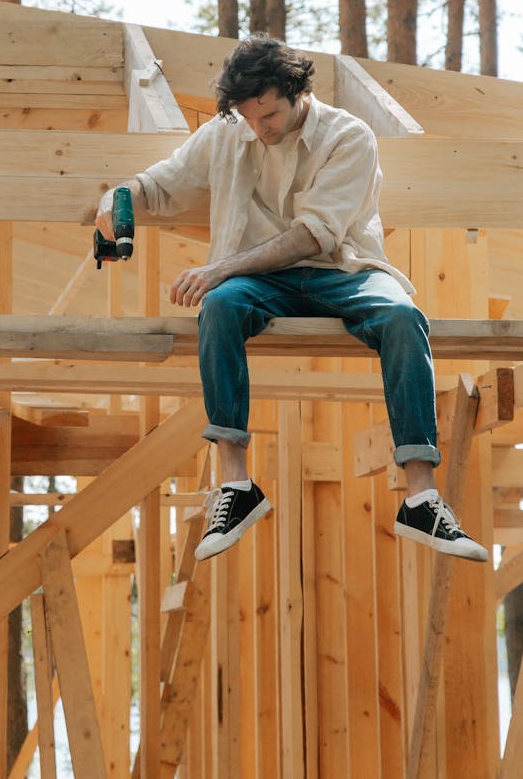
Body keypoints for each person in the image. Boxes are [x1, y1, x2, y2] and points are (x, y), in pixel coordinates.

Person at [95, 36, 487, 564]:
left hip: (341, 268)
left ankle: (421, 495)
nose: (260, 128)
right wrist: (118, 196)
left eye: (270, 114)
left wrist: (221, 267)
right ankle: (236, 488)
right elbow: (165, 182)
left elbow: (314, 236)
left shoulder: (349, 136)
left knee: (400, 315)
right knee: (222, 306)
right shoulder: (228, 131)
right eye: (250, 117)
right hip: (260, 283)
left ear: (299, 91)